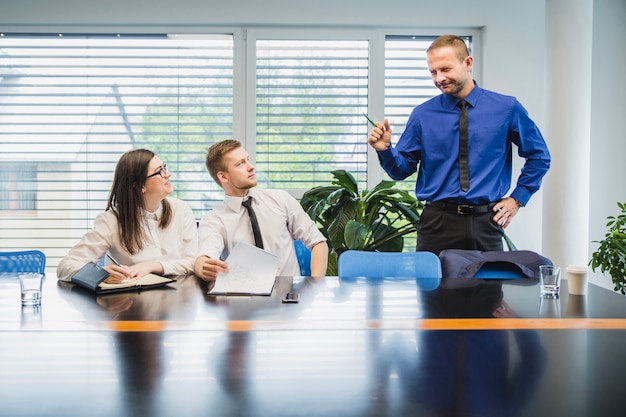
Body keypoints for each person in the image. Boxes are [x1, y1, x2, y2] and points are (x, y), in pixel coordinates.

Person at [367, 34, 551, 255]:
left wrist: (518, 198)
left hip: (486, 222)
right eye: (433, 72)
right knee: (432, 290)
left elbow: (539, 156)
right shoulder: (422, 115)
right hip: (437, 224)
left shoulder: (507, 108)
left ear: (468, 63)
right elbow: (401, 170)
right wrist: (386, 151)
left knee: (488, 290)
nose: (439, 78)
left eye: (445, 69)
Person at [194, 139, 328, 281]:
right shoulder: (214, 219)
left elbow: (318, 242)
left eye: (247, 160)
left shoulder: (280, 199)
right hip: (244, 297)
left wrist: (315, 285)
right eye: (240, 164)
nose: (251, 167)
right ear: (223, 176)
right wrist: (202, 266)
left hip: (287, 296)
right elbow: (205, 256)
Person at [57, 149, 198, 282]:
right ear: (139, 186)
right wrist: (101, 274)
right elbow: (65, 267)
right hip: (131, 302)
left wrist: (152, 266)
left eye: (164, 167)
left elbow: (194, 262)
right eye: (159, 171)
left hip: (178, 300)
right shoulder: (111, 220)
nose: (168, 174)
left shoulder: (181, 210)